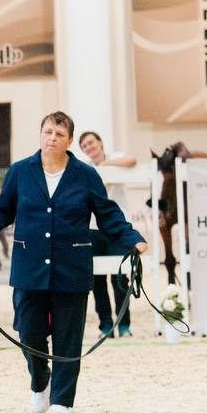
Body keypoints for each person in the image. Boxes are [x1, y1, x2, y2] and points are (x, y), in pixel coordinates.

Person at [0, 112, 147, 413]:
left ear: (69, 141)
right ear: (41, 135)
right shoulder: (21, 172)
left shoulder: (86, 175)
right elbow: (1, 212)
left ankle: (62, 399)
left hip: (71, 266)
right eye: (48, 132)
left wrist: (131, 238)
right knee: (29, 332)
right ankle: (40, 382)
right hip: (29, 267)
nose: (52, 138)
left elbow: (107, 213)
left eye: (59, 134)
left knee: (67, 336)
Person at [78, 131, 136, 337]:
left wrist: (106, 166)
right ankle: (106, 326)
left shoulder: (115, 157)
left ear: (100, 143)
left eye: (91, 143)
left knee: (120, 278)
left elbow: (132, 160)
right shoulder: (85, 168)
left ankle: (124, 324)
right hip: (93, 228)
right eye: (84, 145)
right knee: (97, 281)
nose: (89, 147)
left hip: (117, 227)